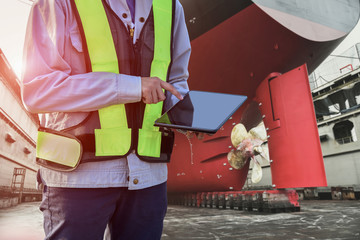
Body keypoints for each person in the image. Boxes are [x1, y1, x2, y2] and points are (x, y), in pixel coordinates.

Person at [21, 0, 191, 239]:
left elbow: (177, 84)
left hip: (148, 179)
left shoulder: (172, 7)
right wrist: (133, 87)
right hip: (78, 181)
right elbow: (38, 90)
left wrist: (186, 115)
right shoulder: (56, 3)